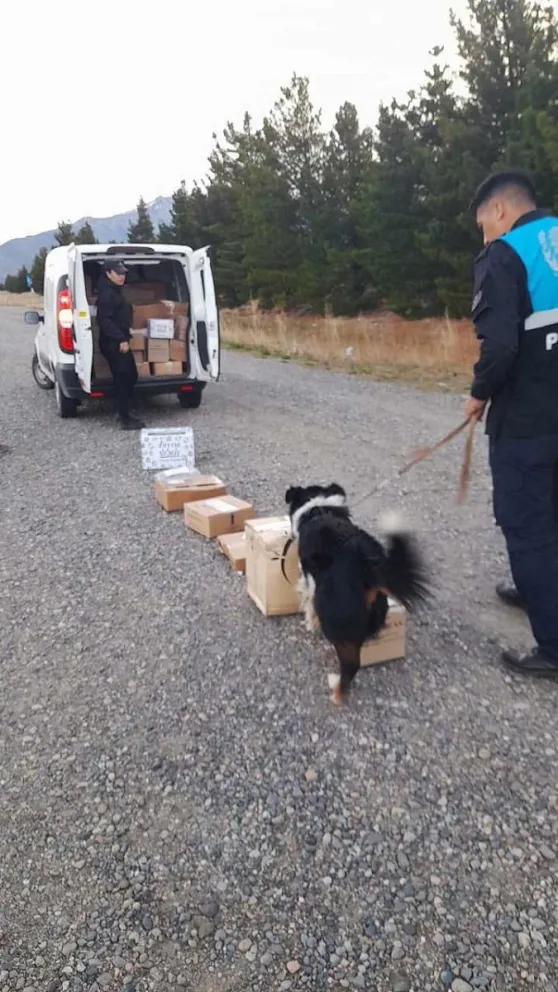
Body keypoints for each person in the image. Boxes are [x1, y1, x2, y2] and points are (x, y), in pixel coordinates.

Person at [465, 169, 558, 677]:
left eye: (483, 225)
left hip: (528, 420)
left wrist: (479, 394)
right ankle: (534, 589)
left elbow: (500, 346)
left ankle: (553, 649)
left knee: (527, 524)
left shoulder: (506, 254)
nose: (485, 236)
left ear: (499, 211)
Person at [96, 259, 145, 430]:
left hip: (119, 340)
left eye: (123, 273)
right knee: (123, 378)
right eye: (118, 273)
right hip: (113, 343)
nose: (122, 276)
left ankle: (127, 411)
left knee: (131, 375)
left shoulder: (115, 290)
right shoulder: (107, 294)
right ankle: (125, 418)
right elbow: (104, 321)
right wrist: (120, 339)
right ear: (108, 273)